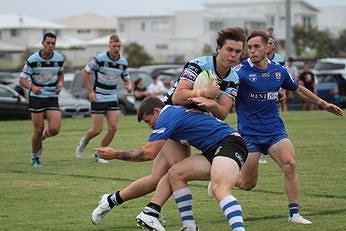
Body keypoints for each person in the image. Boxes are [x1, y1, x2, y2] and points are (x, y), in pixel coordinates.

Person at [90, 27, 246, 228]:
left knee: (158, 178)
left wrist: (212, 103)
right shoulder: (199, 64)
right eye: (229, 50)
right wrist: (204, 91)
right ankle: (153, 212)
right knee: (176, 172)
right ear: (218, 48)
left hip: (192, 122)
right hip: (172, 113)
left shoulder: (233, 78)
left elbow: (223, 112)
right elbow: (179, 96)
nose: (233, 55)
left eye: (237, 51)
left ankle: (113, 201)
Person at [235, 30, 343, 224]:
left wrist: (322, 103)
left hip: (274, 130)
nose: (252, 51)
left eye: (256, 47)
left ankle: (294, 214)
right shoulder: (240, 72)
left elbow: (298, 88)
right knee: (247, 183)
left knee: (290, 165)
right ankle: (220, 179)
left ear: (267, 47)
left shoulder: (279, 71)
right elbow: (225, 93)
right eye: (249, 47)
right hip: (249, 134)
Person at [98, 96, 248, 231]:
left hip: (230, 143)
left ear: (157, 111)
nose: (150, 126)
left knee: (221, 189)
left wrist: (116, 154)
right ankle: (189, 226)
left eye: (148, 121)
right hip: (212, 150)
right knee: (175, 173)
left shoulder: (167, 116)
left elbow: (149, 153)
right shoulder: (174, 112)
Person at [75, 34, 132, 163]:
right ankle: (84, 141)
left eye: (118, 46)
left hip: (112, 96)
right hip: (98, 96)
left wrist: (128, 85)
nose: (116, 48)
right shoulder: (99, 58)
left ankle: (99, 154)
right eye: (114, 46)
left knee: (113, 128)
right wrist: (91, 91)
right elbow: (84, 73)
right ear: (109, 46)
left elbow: (126, 77)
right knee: (97, 130)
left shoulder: (123, 62)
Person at [19, 32, 64, 167]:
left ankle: (42, 138)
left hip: (51, 96)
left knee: (55, 129)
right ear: (42, 43)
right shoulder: (33, 60)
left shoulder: (59, 58)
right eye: (48, 43)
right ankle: (35, 157)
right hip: (36, 97)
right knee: (38, 130)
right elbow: (22, 80)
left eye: (53, 44)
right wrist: (32, 87)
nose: (50, 46)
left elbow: (60, 74)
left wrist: (60, 83)